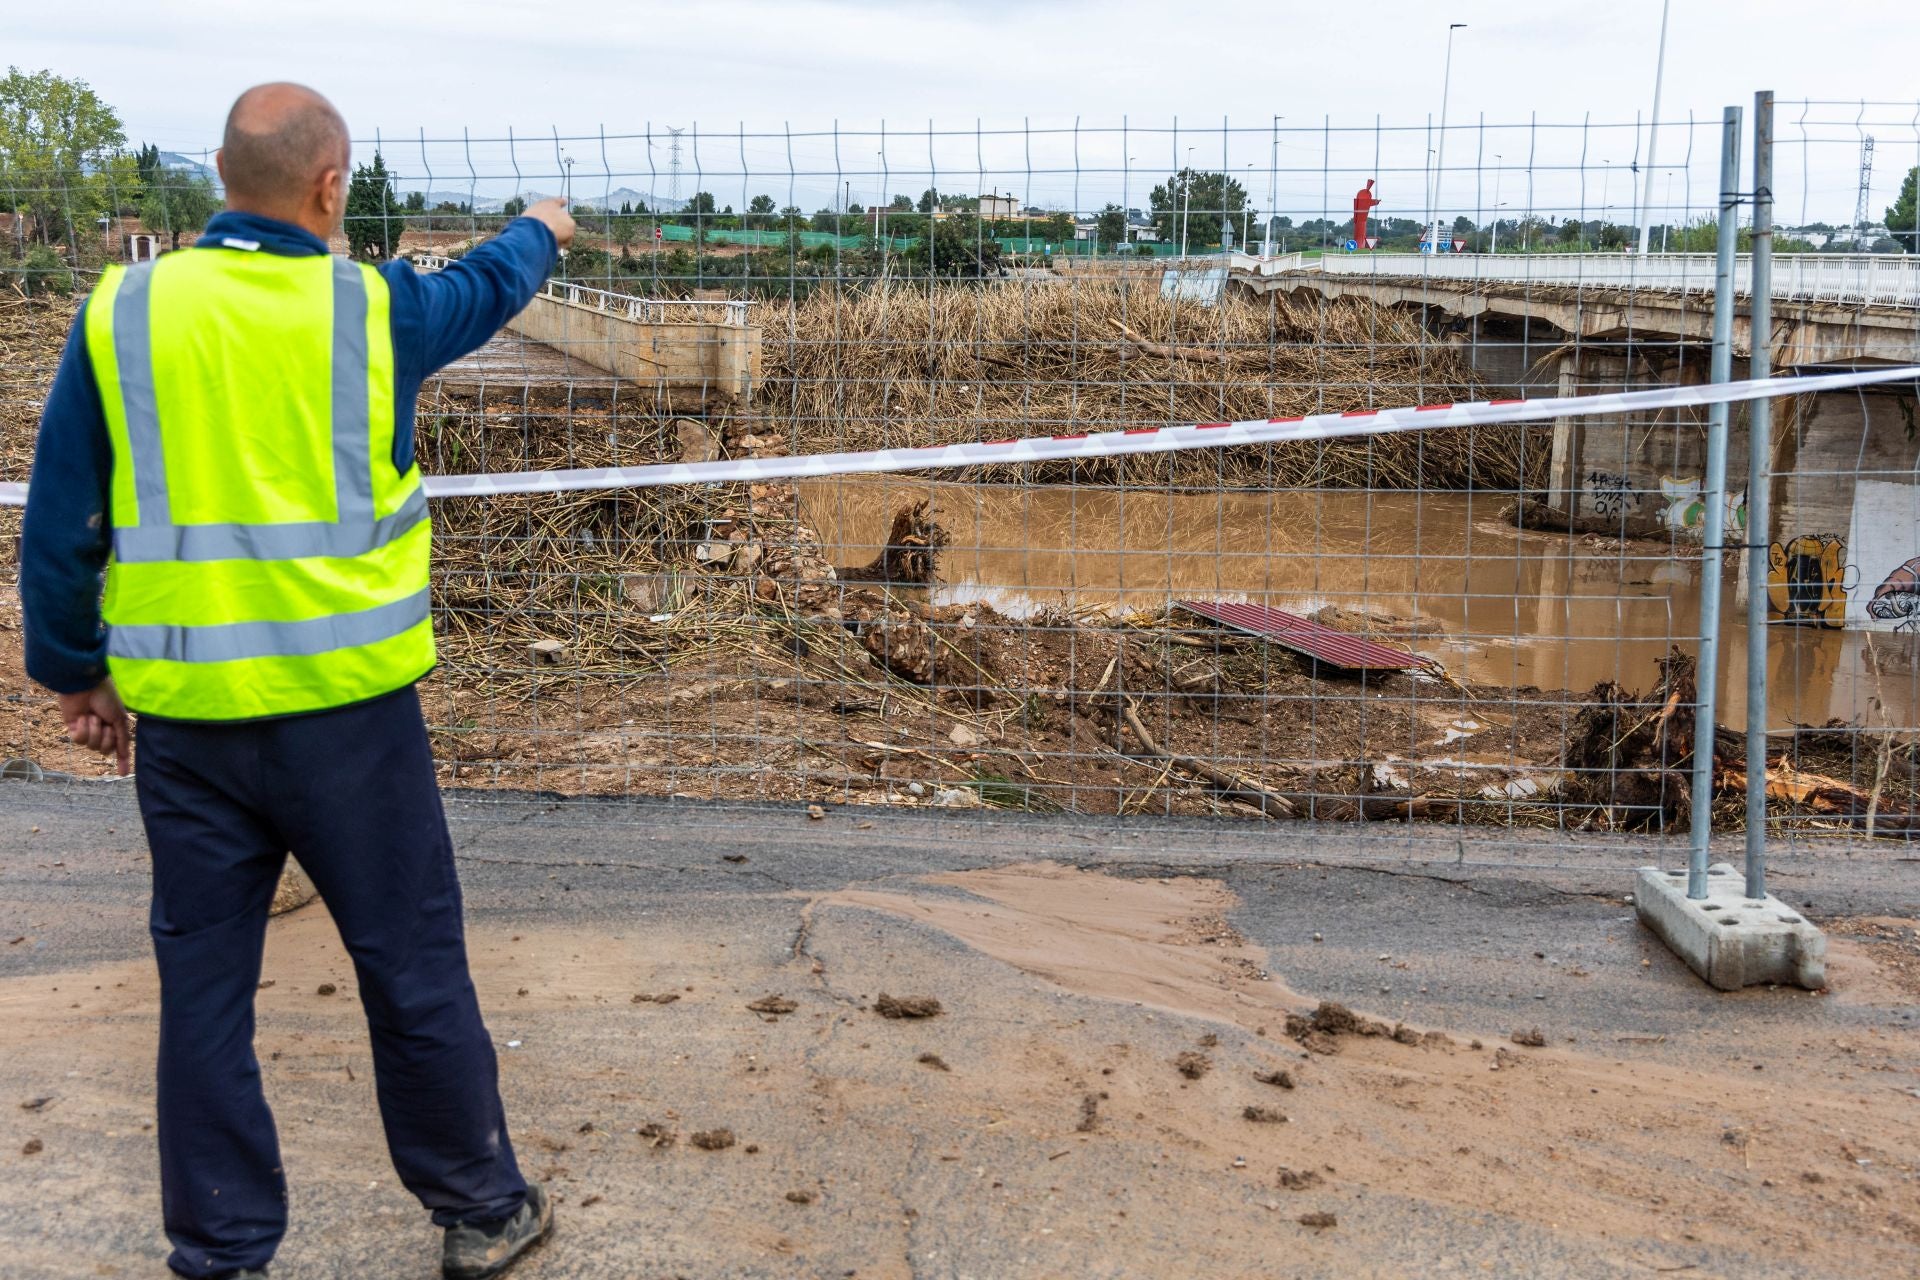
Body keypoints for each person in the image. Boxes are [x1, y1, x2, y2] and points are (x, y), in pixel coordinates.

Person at [19, 83, 575, 1280]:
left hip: (187, 726)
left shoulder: (126, 308)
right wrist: (543, 227)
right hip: (353, 727)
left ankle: (222, 1247)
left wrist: (74, 672)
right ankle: (481, 1207)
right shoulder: (370, 307)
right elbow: (487, 286)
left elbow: (60, 519)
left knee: (203, 990)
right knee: (410, 962)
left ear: (221, 176)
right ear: (332, 188)